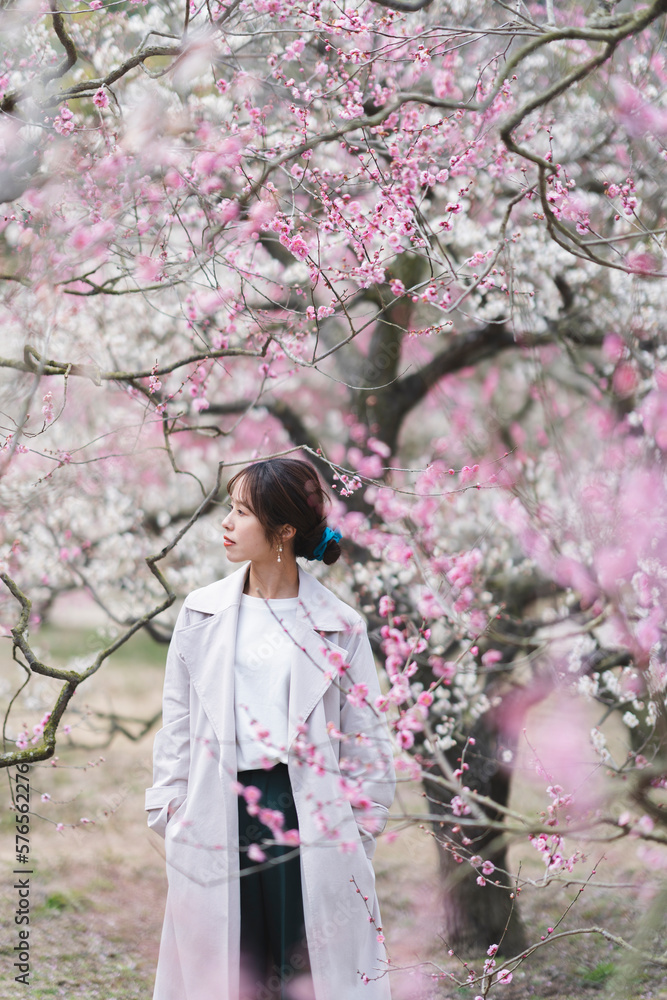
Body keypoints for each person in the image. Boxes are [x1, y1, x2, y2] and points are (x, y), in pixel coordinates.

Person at [146, 457, 395, 1000]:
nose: (225, 524)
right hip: (217, 807)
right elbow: (179, 721)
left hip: (307, 812)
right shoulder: (200, 612)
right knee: (227, 972)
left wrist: (361, 829)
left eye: (241, 512)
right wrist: (170, 808)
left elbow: (366, 738)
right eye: (228, 509)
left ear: (283, 530)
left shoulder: (342, 625)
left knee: (304, 969)